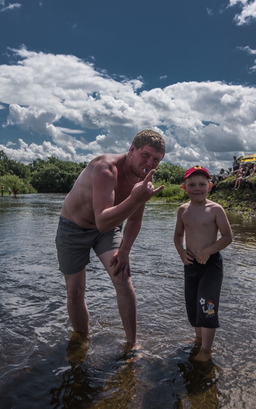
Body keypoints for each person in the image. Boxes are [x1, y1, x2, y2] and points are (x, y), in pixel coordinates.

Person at [56, 129, 165, 348]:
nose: (150, 164)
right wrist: (135, 198)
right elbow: (102, 221)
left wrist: (124, 251)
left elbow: (134, 220)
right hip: (73, 228)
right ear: (132, 149)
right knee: (75, 290)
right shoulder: (105, 168)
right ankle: (81, 341)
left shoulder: (143, 179)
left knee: (122, 278)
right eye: (145, 155)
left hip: (108, 228)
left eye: (156, 160)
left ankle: (132, 345)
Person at [174, 166, 232, 362]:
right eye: (192, 185)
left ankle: (206, 350)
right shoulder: (183, 210)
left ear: (210, 186)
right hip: (190, 263)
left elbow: (227, 237)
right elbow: (178, 235)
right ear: (184, 187)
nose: (197, 188)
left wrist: (208, 251)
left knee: (207, 305)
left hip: (211, 264)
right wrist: (181, 252)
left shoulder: (215, 209)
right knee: (193, 305)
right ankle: (198, 339)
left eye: (202, 184)